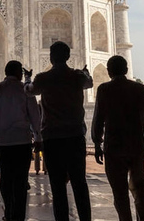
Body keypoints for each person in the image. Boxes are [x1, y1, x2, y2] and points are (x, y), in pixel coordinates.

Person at [25, 41, 93, 221]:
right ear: (68, 56)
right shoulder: (77, 76)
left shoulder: (44, 78)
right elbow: (89, 82)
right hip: (75, 135)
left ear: (51, 57)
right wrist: (85, 72)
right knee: (79, 183)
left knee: (57, 186)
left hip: (53, 137)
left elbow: (29, 91)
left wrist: (27, 78)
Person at [92, 55, 144, 221]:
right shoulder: (139, 88)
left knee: (119, 191)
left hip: (113, 145)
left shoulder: (104, 89)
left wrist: (97, 143)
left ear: (108, 72)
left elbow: (98, 119)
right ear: (126, 70)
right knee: (140, 188)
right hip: (135, 144)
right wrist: (140, 122)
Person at [0, 60, 41, 221]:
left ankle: (8, 212)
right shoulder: (24, 90)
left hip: (2, 142)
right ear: (19, 73)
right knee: (21, 180)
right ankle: (18, 216)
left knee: (6, 178)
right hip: (22, 141)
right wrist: (38, 137)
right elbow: (34, 116)